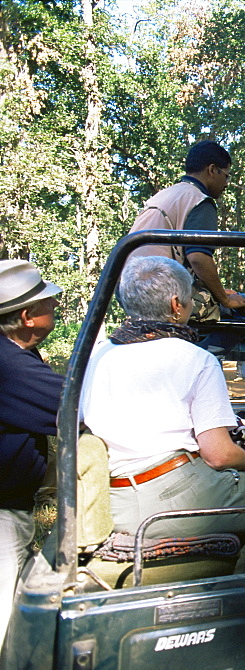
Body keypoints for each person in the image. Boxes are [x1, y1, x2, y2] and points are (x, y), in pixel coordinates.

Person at [80, 256, 245, 573]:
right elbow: (218, 455)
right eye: (192, 299)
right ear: (177, 305)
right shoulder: (194, 358)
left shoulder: (98, 353)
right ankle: (244, 587)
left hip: (112, 497)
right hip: (172, 495)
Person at [0, 260, 63, 649]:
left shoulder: (15, 357)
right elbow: (77, 407)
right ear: (27, 316)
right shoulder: (11, 367)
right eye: (49, 304)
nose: (54, 309)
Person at [127, 140, 245, 322]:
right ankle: (206, 351)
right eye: (226, 175)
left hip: (128, 289)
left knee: (213, 296)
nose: (226, 183)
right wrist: (225, 299)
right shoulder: (199, 201)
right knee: (235, 313)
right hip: (159, 292)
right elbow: (198, 258)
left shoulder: (165, 195)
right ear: (212, 170)